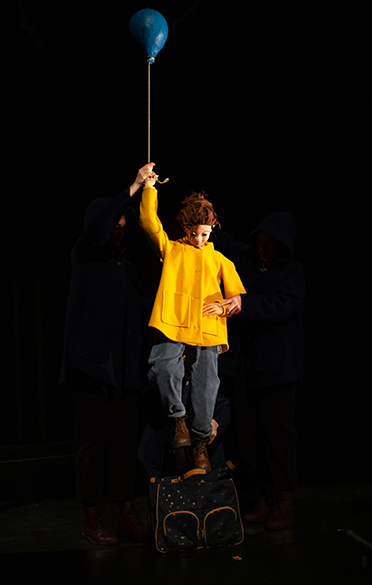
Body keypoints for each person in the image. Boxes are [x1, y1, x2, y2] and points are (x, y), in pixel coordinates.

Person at [59, 166, 153, 545]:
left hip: (125, 371)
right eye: (114, 223)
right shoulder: (84, 256)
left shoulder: (125, 268)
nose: (118, 229)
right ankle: (91, 515)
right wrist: (133, 187)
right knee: (92, 442)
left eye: (123, 225)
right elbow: (97, 228)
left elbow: (142, 311)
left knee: (124, 442)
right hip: (93, 368)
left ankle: (125, 510)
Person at [138, 163, 246, 472]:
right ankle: (179, 422)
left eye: (205, 234)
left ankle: (200, 442)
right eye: (194, 233)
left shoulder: (219, 259)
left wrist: (224, 307)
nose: (199, 239)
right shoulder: (173, 250)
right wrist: (149, 189)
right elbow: (149, 224)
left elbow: (237, 299)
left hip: (208, 326)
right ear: (186, 229)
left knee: (207, 382)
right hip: (173, 319)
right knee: (163, 367)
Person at [215, 212, 305, 529]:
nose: (263, 249)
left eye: (269, 244)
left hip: (278, 368)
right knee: (249, 435)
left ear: (282, 245)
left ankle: (283, 498)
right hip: (249, 364)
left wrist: (246, 303)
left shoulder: (292, 271)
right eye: (260, 242)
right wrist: (208, 218)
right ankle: (264, 495)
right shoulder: (251, 262)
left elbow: (284, 305)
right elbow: (228, 244)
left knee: (277, 435)